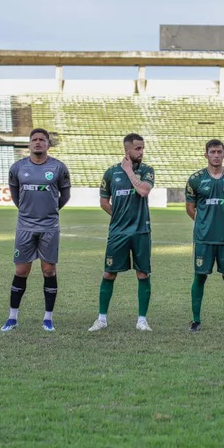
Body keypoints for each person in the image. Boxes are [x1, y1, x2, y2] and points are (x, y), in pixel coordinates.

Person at [3, 128, 72, 332]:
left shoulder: (59, 167)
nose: (38, 142)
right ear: (29, 144)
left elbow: (65, 195)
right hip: (25, 226)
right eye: (34, 140)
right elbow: (15, 193)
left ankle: (48, 318)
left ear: (48, 144)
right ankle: (12, 318)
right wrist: (26, 210)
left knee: (49, 270)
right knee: (21, 271)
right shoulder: (17, 168)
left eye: (42, 140)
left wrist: (51, 210)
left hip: (49, 226)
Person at [90, 133, 155, 332]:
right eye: (137, 148)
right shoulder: (111, 173)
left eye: (142, 148)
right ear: (127, 150)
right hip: (118, 232)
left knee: (143, 273)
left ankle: (142, 320)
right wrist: (118, 216)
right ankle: (101, 319)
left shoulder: (147, 171)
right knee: (109, 273)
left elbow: (143, 191)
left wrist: (128, 171)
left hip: (141, 230)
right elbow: (103, 201)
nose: (141, 152)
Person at [185, 139, 224, 332]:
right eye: (212, 152)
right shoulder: (196, 179)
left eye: (219, 152)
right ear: (206, 155)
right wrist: (205, 224)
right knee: (200, 277)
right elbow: (190, 208)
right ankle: (195, 320)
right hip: (204, 238)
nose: (216, 155)